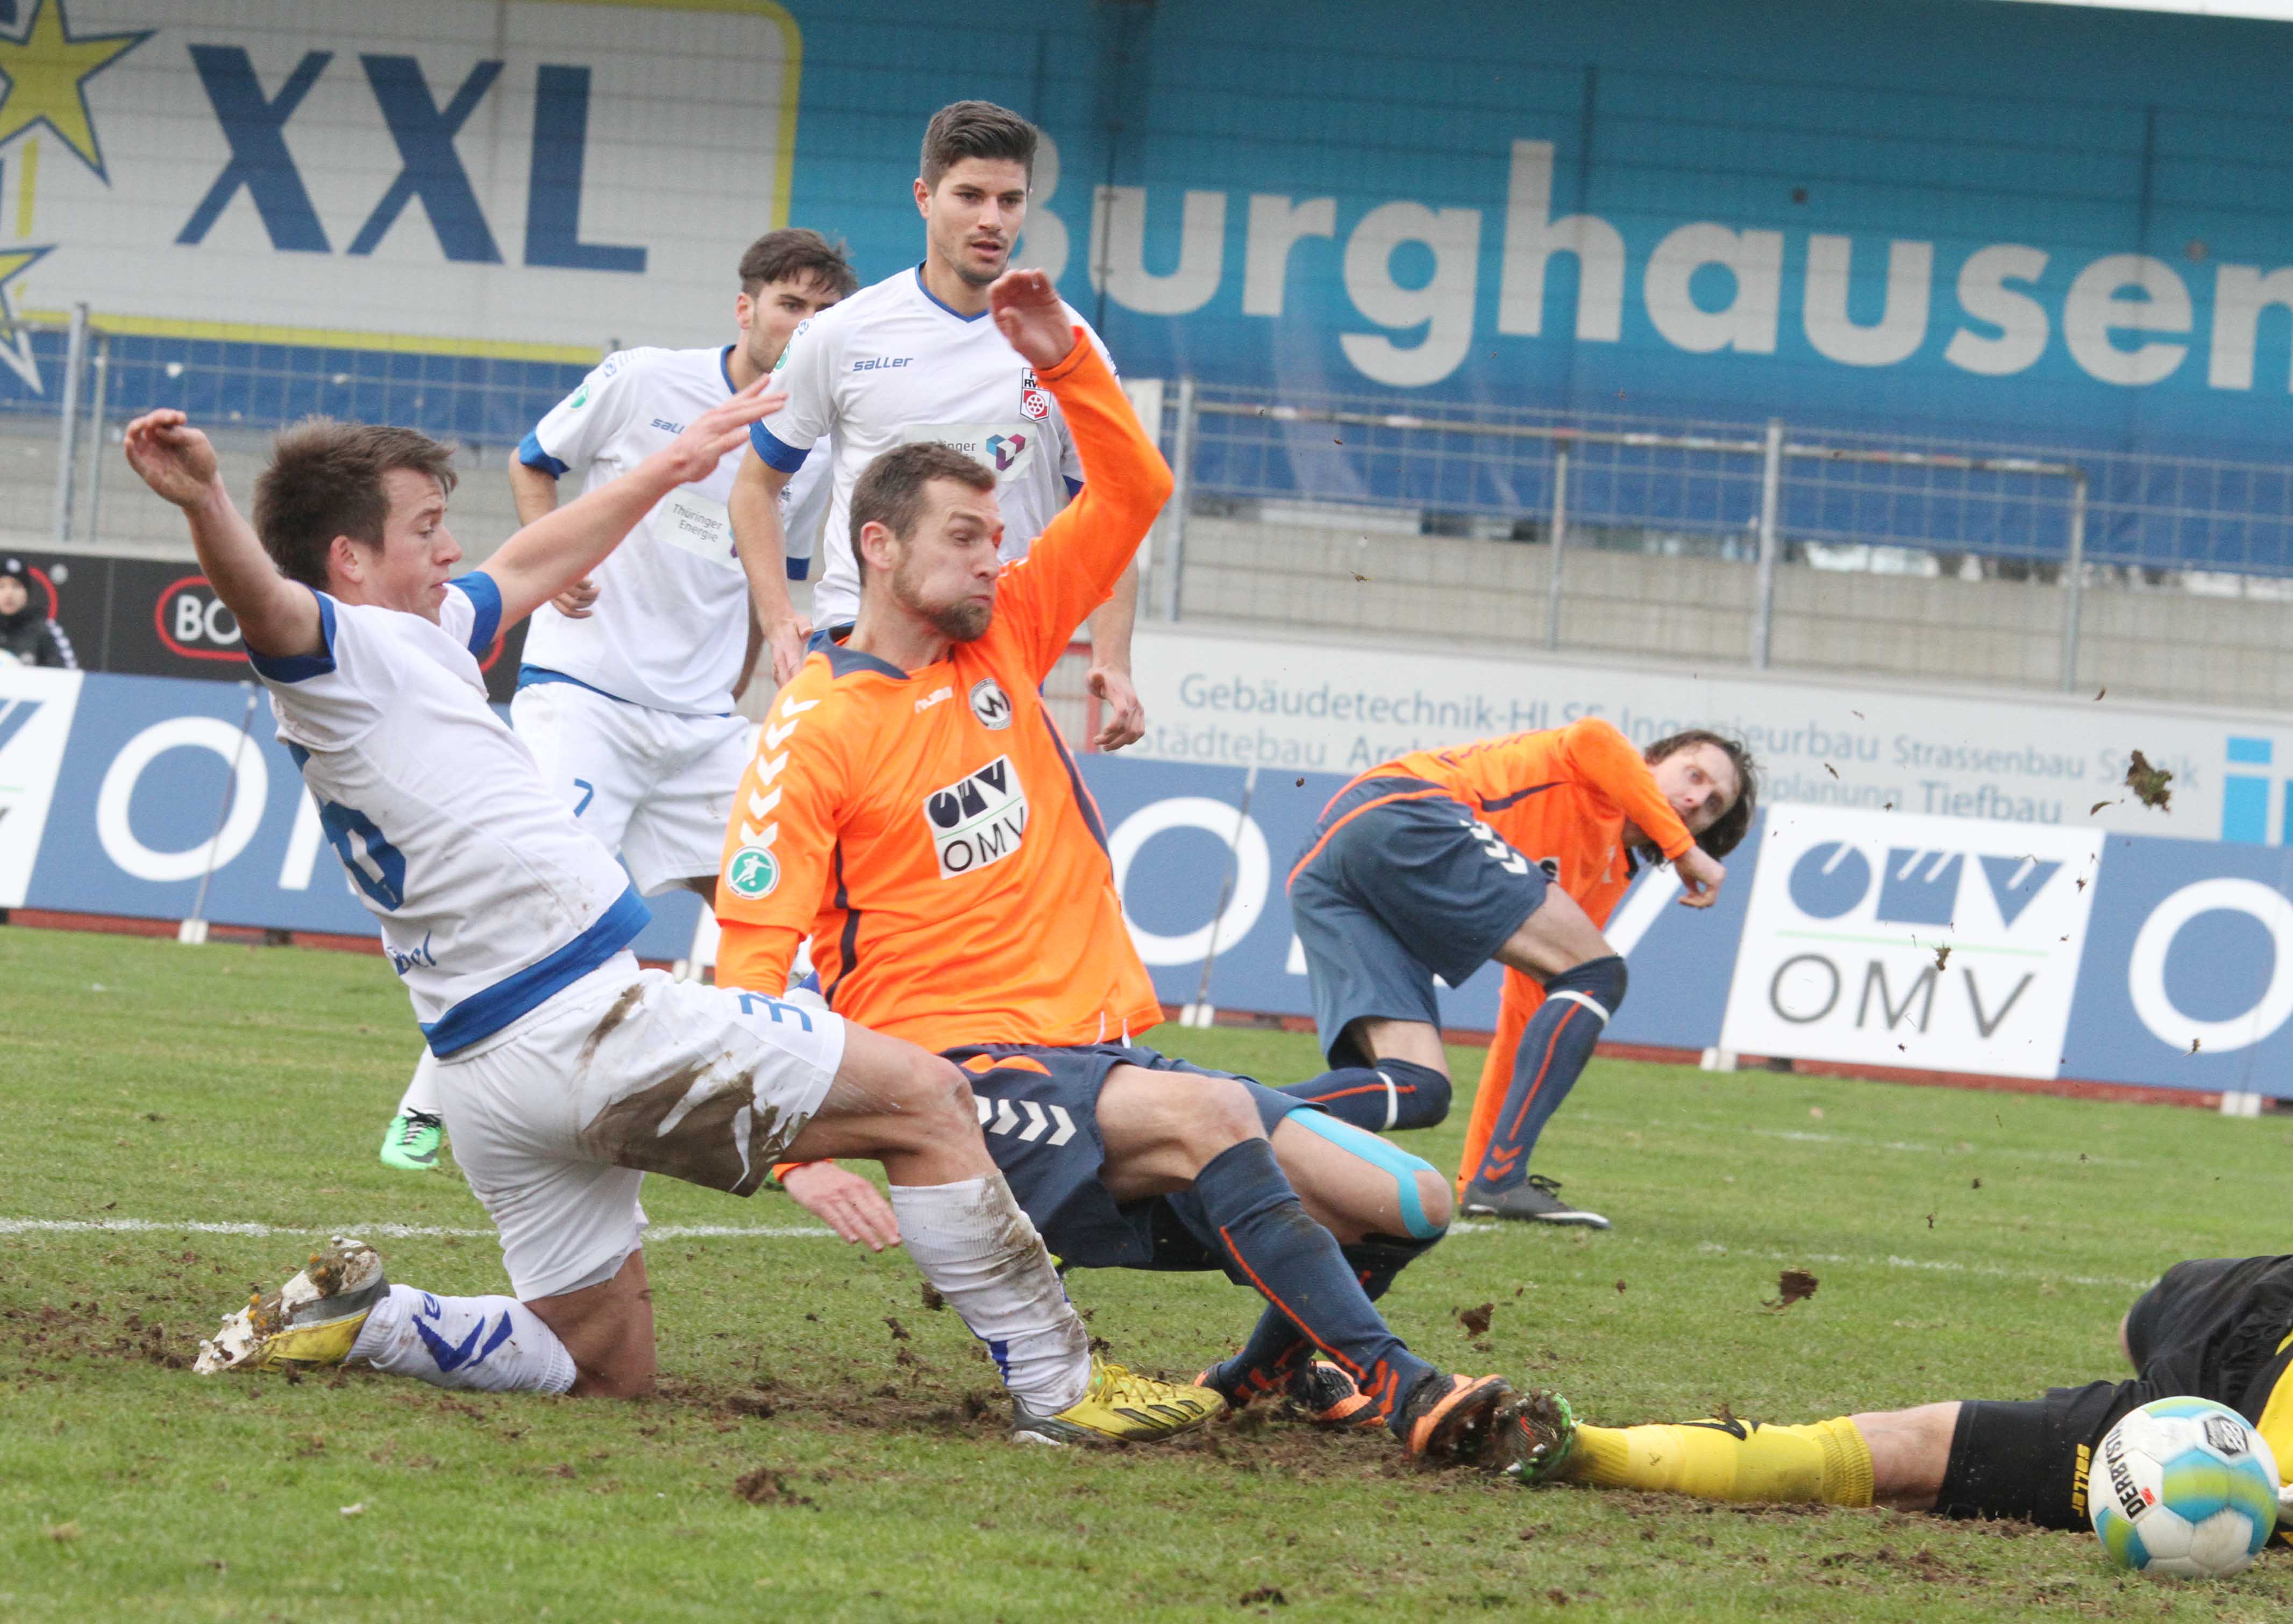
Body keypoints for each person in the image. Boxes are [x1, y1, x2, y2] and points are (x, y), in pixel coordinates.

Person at [121, 390, 1219, 1445]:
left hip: (486, 1072)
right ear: (350, 561)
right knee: (931, 1099)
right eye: (426, 528)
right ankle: (1059, 1383)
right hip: (584, 1028)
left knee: (601, 1363)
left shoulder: (417, 637)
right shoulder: (328, 650)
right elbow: (265, 606)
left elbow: (529, 564)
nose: (453, 549)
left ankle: (378, 1318)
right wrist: (205, 501)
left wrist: (671, 467)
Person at [713, 268, 1519, 1467]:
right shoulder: (818, 721)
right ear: (875, 546)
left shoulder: (1012, 633)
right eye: (966, 537)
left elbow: (1136, 486)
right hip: (959, 1077)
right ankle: (1397, 1383)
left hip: (1095, 1058)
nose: (997, 558)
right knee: (1202, 1112)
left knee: (1414, 1201)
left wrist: (1068, 366)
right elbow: (750, 955)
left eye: (999, 535)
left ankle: (1253, 1377)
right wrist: (789, 1151)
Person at [376, 229, 857, 1174]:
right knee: (527, 914)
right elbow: (531, 459)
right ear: (745, 308)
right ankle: (428, 1108)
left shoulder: (808, 445)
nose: (804, 326)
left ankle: (793, 1120)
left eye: (823, 312)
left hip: (703, 728)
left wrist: (748, 667)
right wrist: (553, 562)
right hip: (584, 698)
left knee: (784, 905)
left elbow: (767, 568)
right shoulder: (642, 380)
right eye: (790, 305)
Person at [728, 99, 1147, 752]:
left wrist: (1115, 655)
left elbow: (1111, 512)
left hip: (999, 648)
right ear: (924, 197)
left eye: (1011, 201)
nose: (991, 220)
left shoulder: (1066, 343)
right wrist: (779, 618)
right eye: (970, 196)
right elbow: (755, 485)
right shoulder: (842, 332)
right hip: (859, 642)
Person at [1280, 721, 1754, 1229]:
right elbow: (1594, 737)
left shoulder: (1605, 873)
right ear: (1653, 761)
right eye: (1693, 775)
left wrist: (1480, 1180)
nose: (1694, 798)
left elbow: (1530, 1015)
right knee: (1600, 974)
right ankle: (1503, 1180)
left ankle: (1222, 1115)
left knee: (1420, 1088)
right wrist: (1683, 849)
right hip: (1404, 808)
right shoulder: (1598, 766)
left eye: (1712, 804)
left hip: (1326, 871)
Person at [1507, 1255, 2293, 1544]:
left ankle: (1590, 1450)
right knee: (2148, 1313)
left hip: (2210, 1415)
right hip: (2262, 1314)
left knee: (1902, 1460)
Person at [0, 558, 75, 668]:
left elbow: (69, 674)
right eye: (2, 586)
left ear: (27, 593)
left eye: (16, 586)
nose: (9, 594)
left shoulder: (45, 630)